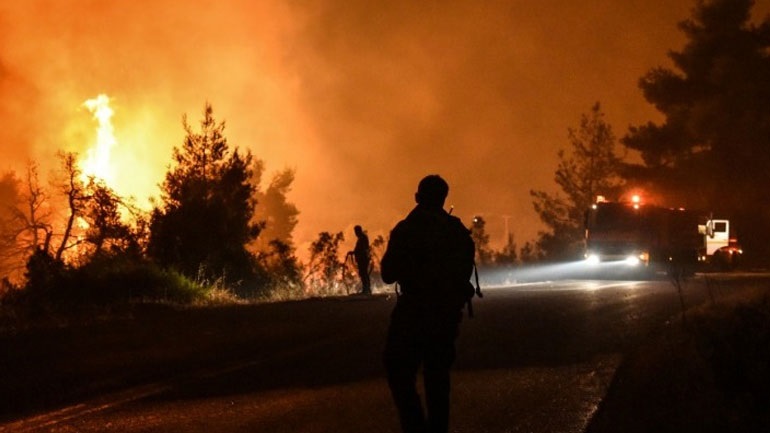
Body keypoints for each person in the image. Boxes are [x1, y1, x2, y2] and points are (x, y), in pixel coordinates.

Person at [381, 174, 476, 433]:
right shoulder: (456, 230)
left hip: (413, 313)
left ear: (418, 197)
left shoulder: (407, 229)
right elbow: (464, 272)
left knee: (399, 371)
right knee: (437, 380)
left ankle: (415, 427)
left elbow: (388, 273)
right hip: (445, 315)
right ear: (443, 198)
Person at [347, 225, 372, 295]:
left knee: (364, 273)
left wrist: (354, 252)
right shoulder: (362, 238)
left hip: (363, 259)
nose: (355, 233)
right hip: (362, 258)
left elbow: (361, 249)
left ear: (358, 231)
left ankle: (366, 289)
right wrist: (353, 252)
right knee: (363, 273)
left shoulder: (362, 238)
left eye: (356, 231)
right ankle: (366, 289)